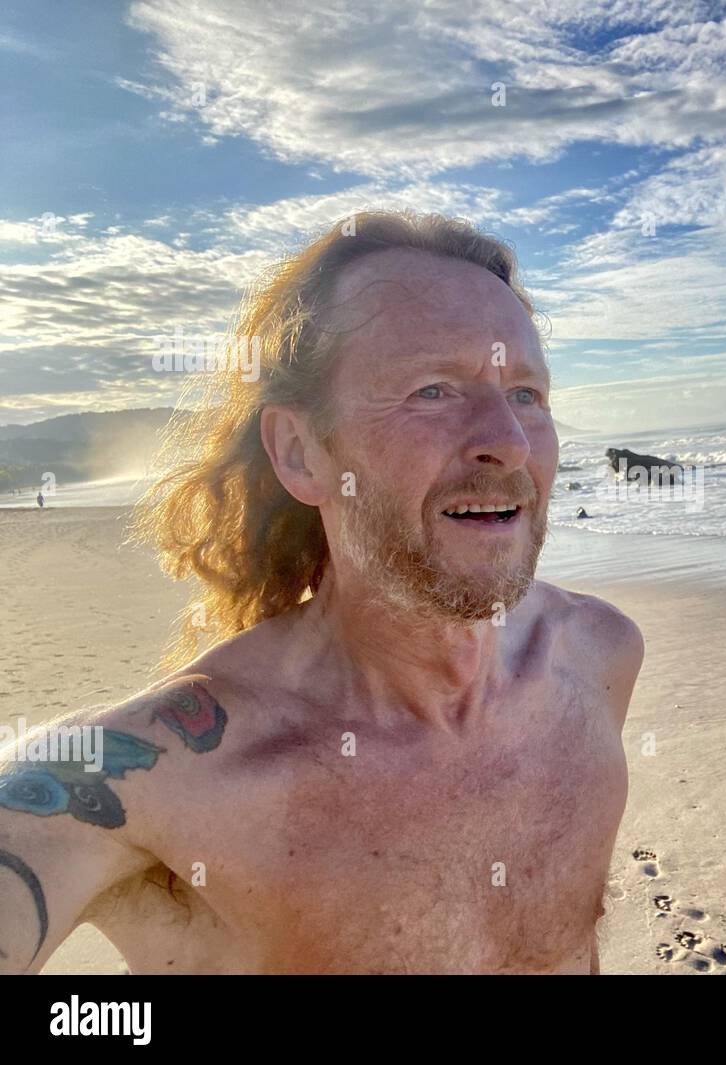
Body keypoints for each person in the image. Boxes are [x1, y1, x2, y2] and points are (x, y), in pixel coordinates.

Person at [0, 211, 644, 974]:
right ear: (301, 453)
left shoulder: (600, 656)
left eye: (527, 393)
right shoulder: (144, 786)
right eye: (434, 390)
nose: (506, 439)